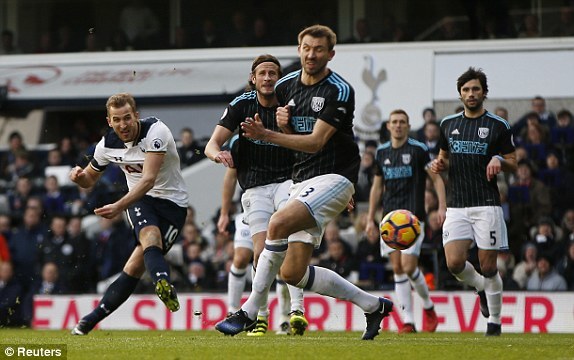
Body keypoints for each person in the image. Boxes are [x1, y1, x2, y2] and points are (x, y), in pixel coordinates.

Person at [215, 25, 393, 340]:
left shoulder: (338, 90)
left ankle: (248, 311)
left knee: (278, 223)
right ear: (299, 50)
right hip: (301, 182)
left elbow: (314, 143)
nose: (311, 54)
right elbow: (270, 109)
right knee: (292, 273)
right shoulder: (285, 85)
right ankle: (372, 305)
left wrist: (268, 134)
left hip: (334, 176)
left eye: (319, 49)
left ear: (330, 54)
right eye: (306, 48)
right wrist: (275, 122)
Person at [204, 54, 307, 336]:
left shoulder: (291, 105)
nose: (267, 78)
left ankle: (296, 310)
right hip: (255, 188)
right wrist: (217, 155)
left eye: (273, 73)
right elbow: (211, 144)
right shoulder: (241, 105)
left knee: (287, 244)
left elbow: (309, 144)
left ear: (279, 78)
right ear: (253, 78)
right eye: (262, 73)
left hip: (288, 181)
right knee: (260, 253)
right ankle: (260, 315)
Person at [69, 93, 188, 335]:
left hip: (173, 203)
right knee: (150, 235)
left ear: (136, 116)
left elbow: (148, 179)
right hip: (141, 200)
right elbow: (90, 178)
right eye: (117, 120)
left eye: (127, 118)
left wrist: (118, 206)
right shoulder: (106, 145)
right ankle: (162, 281)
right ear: (109, 121)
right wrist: (79, 178)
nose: (123, 125)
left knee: (134, 267)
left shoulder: (156, 132)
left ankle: (88, 320)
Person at [431, 67, 517, 336]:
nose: (471, 94)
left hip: (486, 204)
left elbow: (514, 162)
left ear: (484, 93)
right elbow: (443, 157)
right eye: (466, 90)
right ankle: (480, 287)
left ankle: (495, 322)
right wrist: (439, 164)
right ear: (460, 94)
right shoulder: (448, 124)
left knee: (489, 266)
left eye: (475, 89)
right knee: (454, 264)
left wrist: (499, 160)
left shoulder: (498, 126)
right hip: (457, 205)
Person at [365, 109, 445, 334]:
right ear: (388, 126)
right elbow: (377, 187)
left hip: (413, 218)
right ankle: (408, 322)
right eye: (394, 122)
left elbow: (436, 179)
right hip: (390, 220)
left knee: (409, 267)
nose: (398, 125)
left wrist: (441, 206)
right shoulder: (381, 153)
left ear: (408, 126)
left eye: (402, 122)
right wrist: (371, 218)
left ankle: (428, 308)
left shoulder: (418, 150)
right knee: (398, 268)